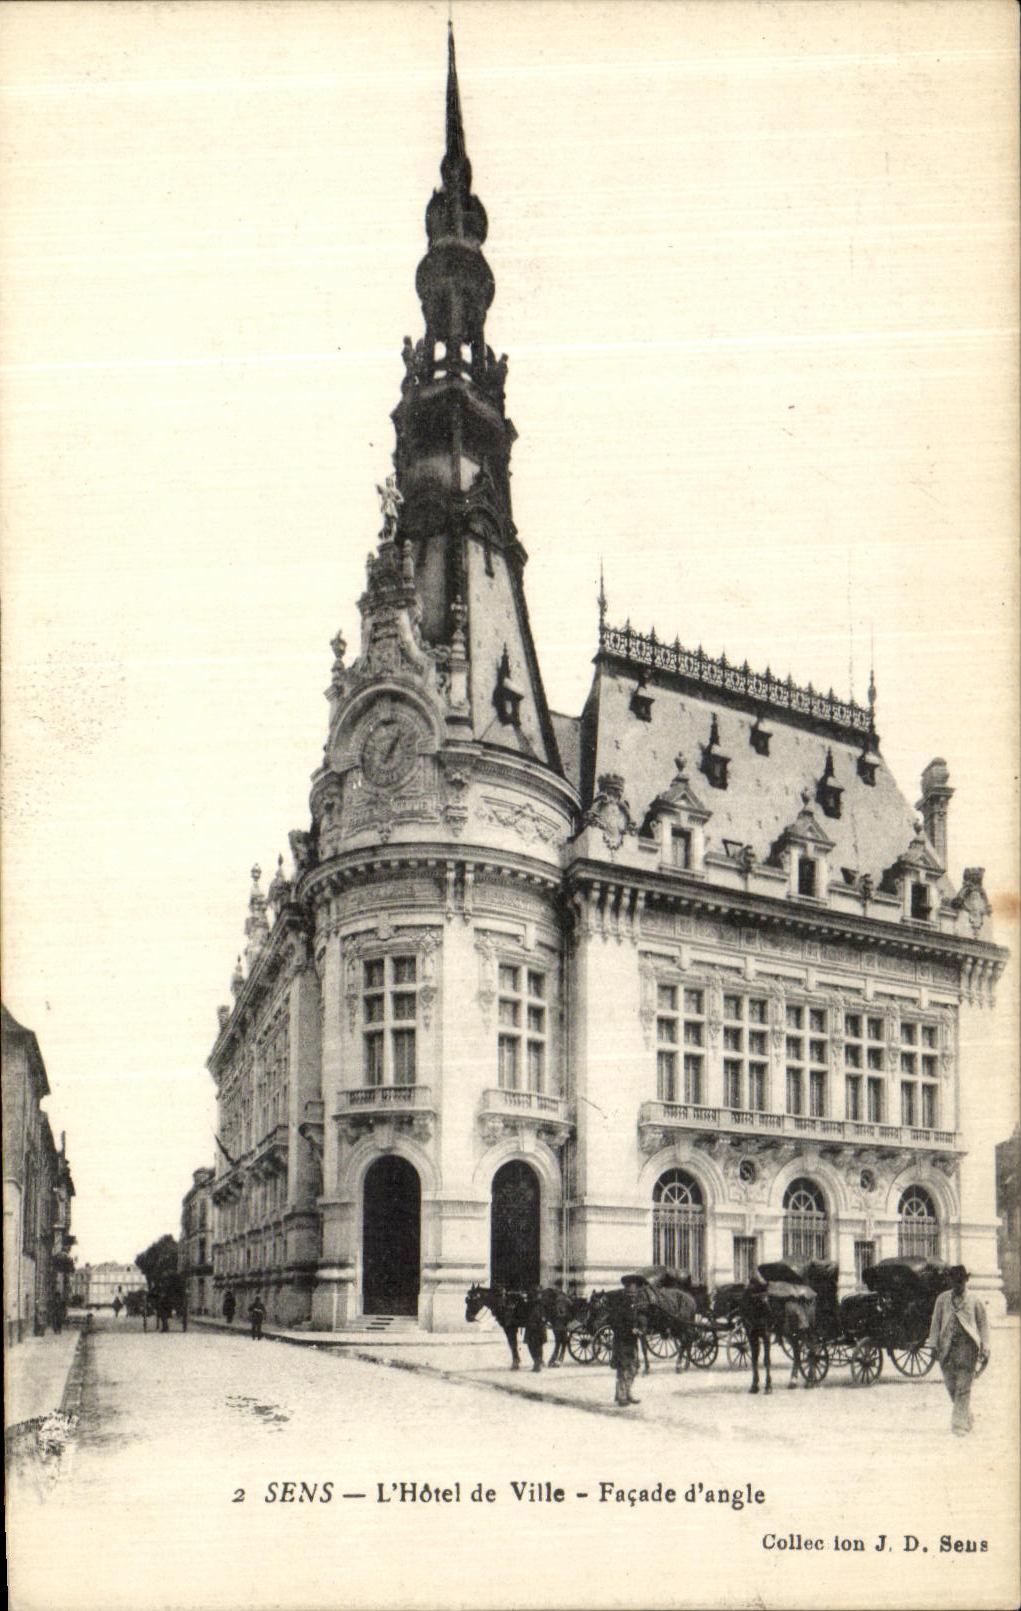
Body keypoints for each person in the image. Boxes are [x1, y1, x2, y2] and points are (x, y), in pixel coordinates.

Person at [926, 1265, 989, 1436]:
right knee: (951, 1387)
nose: (957, 1285)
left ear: (966, 1280)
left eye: (960, 1281)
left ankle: (959, 1425)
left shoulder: (975, 1300)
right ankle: (967, 1416)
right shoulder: (942, 1299)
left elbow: (983, 1325)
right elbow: (935, 1323)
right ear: (950, 1281)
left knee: (963, 1387)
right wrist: (933, 1345)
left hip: (968, 1350)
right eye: (954, 1282)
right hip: (946, 1349)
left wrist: (985, 1347)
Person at [610, 1288, 642, 1407]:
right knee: (623, 1369)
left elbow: (637, 1323)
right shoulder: (619, 1310)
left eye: (634, 1296)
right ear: (625, 1297)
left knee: (633, 1368)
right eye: (630, 1296)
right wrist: (630, 1330)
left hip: (632, 1343)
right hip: (622, 1343)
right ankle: (621, 1396)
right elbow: (615, 1326)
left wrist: (639, 1329)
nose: (633, 1298)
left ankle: (628, 1392)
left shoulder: (634, 1309)